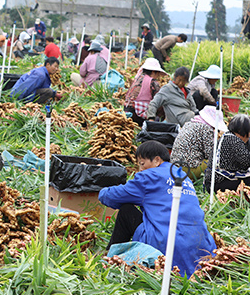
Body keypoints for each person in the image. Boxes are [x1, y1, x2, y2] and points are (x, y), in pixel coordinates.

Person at [99, 140, 215, 277]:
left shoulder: (149, 177)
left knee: (126, 210)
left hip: (164, 243)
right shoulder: (185, 179)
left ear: (157, 161)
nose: (140, 169)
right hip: (202, 246)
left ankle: (110, 258)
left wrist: (102, 190)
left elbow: (112, 197)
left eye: (142, 164)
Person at [170, 105, 227, 178]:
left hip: (175, 166)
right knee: (219, 163)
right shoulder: (206, 129)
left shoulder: (190, 123)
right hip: (188, 169)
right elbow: (210, 154)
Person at [203, 114, 250, 192]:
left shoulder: (227, 136)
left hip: (215, 180)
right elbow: (246, 162)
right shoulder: (232, 140)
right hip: (218, 182)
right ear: (241, 131)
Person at [123, 58, 166, 125]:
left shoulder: (138, 78)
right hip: (137, 115)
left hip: (126, 110)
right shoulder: (153, 82)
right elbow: (159, 100)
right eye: (158, 73)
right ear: (153, 71)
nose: (158, 76)